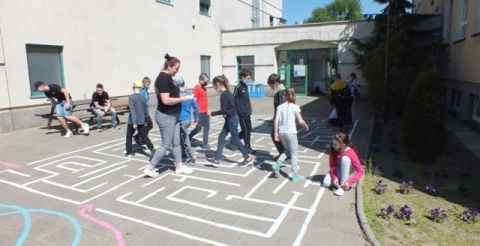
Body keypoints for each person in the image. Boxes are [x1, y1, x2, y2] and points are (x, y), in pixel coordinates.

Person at [143, 54, 193, 178]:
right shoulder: (163, 79)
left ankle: (179, 166)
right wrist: (181, 99)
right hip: (166, 116)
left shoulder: (168, 78)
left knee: (176, 142)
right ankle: (150, 168)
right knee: (166, 144)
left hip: (174, 115)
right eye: (176, 68)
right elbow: (165, 100)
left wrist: (181, 97)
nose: (177, 71)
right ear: (169, 66)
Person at [206, 75, 254, 168]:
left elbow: (224, 110)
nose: (214, 88)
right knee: (221, 138)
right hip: (230, 118)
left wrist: (212, 113)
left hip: (231, 119)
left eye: (214, 86)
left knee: (235, 139)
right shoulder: (227, 92)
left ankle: (247, 158)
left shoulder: (224, 95)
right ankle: (216, 159)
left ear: (218, 84)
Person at [271, 88, 309, 182]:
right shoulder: (295, 107)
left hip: (282, 132)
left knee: (287, 150)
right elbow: (300, 120)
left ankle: (277, 164)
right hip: (291, 132)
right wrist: (305, 126)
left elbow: (276, 120)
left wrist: (276, 133)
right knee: (294, 152)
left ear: (284, 96)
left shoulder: (280, 107)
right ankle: (295, 175)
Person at [322, 132, 365, 196]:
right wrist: (335, 177)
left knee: (345, 159)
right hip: (339, 168)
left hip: (349, 169)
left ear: (343, 145)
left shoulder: (351, 152)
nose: (333, 146)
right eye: (333, 143)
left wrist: (349, 182)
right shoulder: (333, 149)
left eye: (336, 144)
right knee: (326, 183)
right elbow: (332, 165)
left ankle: (343, 187)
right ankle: (339, 179)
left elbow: (361, 171)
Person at [125, 80, 154, 157]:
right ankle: (152, 149)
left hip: (132, 121)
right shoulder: (143, 97)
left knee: (129, 136)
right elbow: (146, 109)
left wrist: (134, 122)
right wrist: (146, 119)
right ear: (140, 87)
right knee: (144, 136)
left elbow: (132, 110)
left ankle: (129, 151)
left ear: (133, 87)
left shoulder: (131, 97)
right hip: (142, 120)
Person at [175, 77, 199, 166]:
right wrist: (196, 118)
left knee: (185, 139)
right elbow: (196, 107)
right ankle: (184, 154)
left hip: (182, 120)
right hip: (188, 119)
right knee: (182, 138)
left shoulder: (178, 96)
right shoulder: (189, 94)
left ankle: (191, 158)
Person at [232, 69, 256, 154]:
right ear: (243, 77)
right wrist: (237, 110)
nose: (249, 80)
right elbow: (233, 99)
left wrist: (249, 109)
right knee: (245, 130)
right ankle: (247, 146)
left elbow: (246, 100)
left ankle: (234, 140)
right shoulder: (238, 87)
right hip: (241, 112)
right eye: (248, 78)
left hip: (247, 111)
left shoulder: (245, 86)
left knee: (249, 129)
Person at [188, 73, 211, 150]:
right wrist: (194, 114)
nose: (206, 83)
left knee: (207, 127)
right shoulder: (196, 88)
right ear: (200, 80)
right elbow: (193, 101)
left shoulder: (204, 88)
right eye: (205, 81)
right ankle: (188, 137)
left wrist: (207, 109)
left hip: (205, 112)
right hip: (199, 112)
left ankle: (205, 144)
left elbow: (205, 100)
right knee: (199, 128)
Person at [266, 73, 287, 159]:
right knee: (277, 136)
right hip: (279, 119)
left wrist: (277, 120)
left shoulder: (281, 93)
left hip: (281, 120)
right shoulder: (280, 92)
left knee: (276, 135)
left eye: (271, 85)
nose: (271, 87)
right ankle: (283, 154)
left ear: (276, 83)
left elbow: (281, 109)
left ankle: (284, 155)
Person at [133, 77, 153, 145]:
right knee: (148, 125)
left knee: (149, 125)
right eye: (147, 84)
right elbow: (142, 102)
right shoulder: (143, 91)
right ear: (143, 84)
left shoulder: (146, 91)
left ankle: (139, 136)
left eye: (149, 84)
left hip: (146, 111)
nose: (148, 86)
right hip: (144, 112)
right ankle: (141, 137)